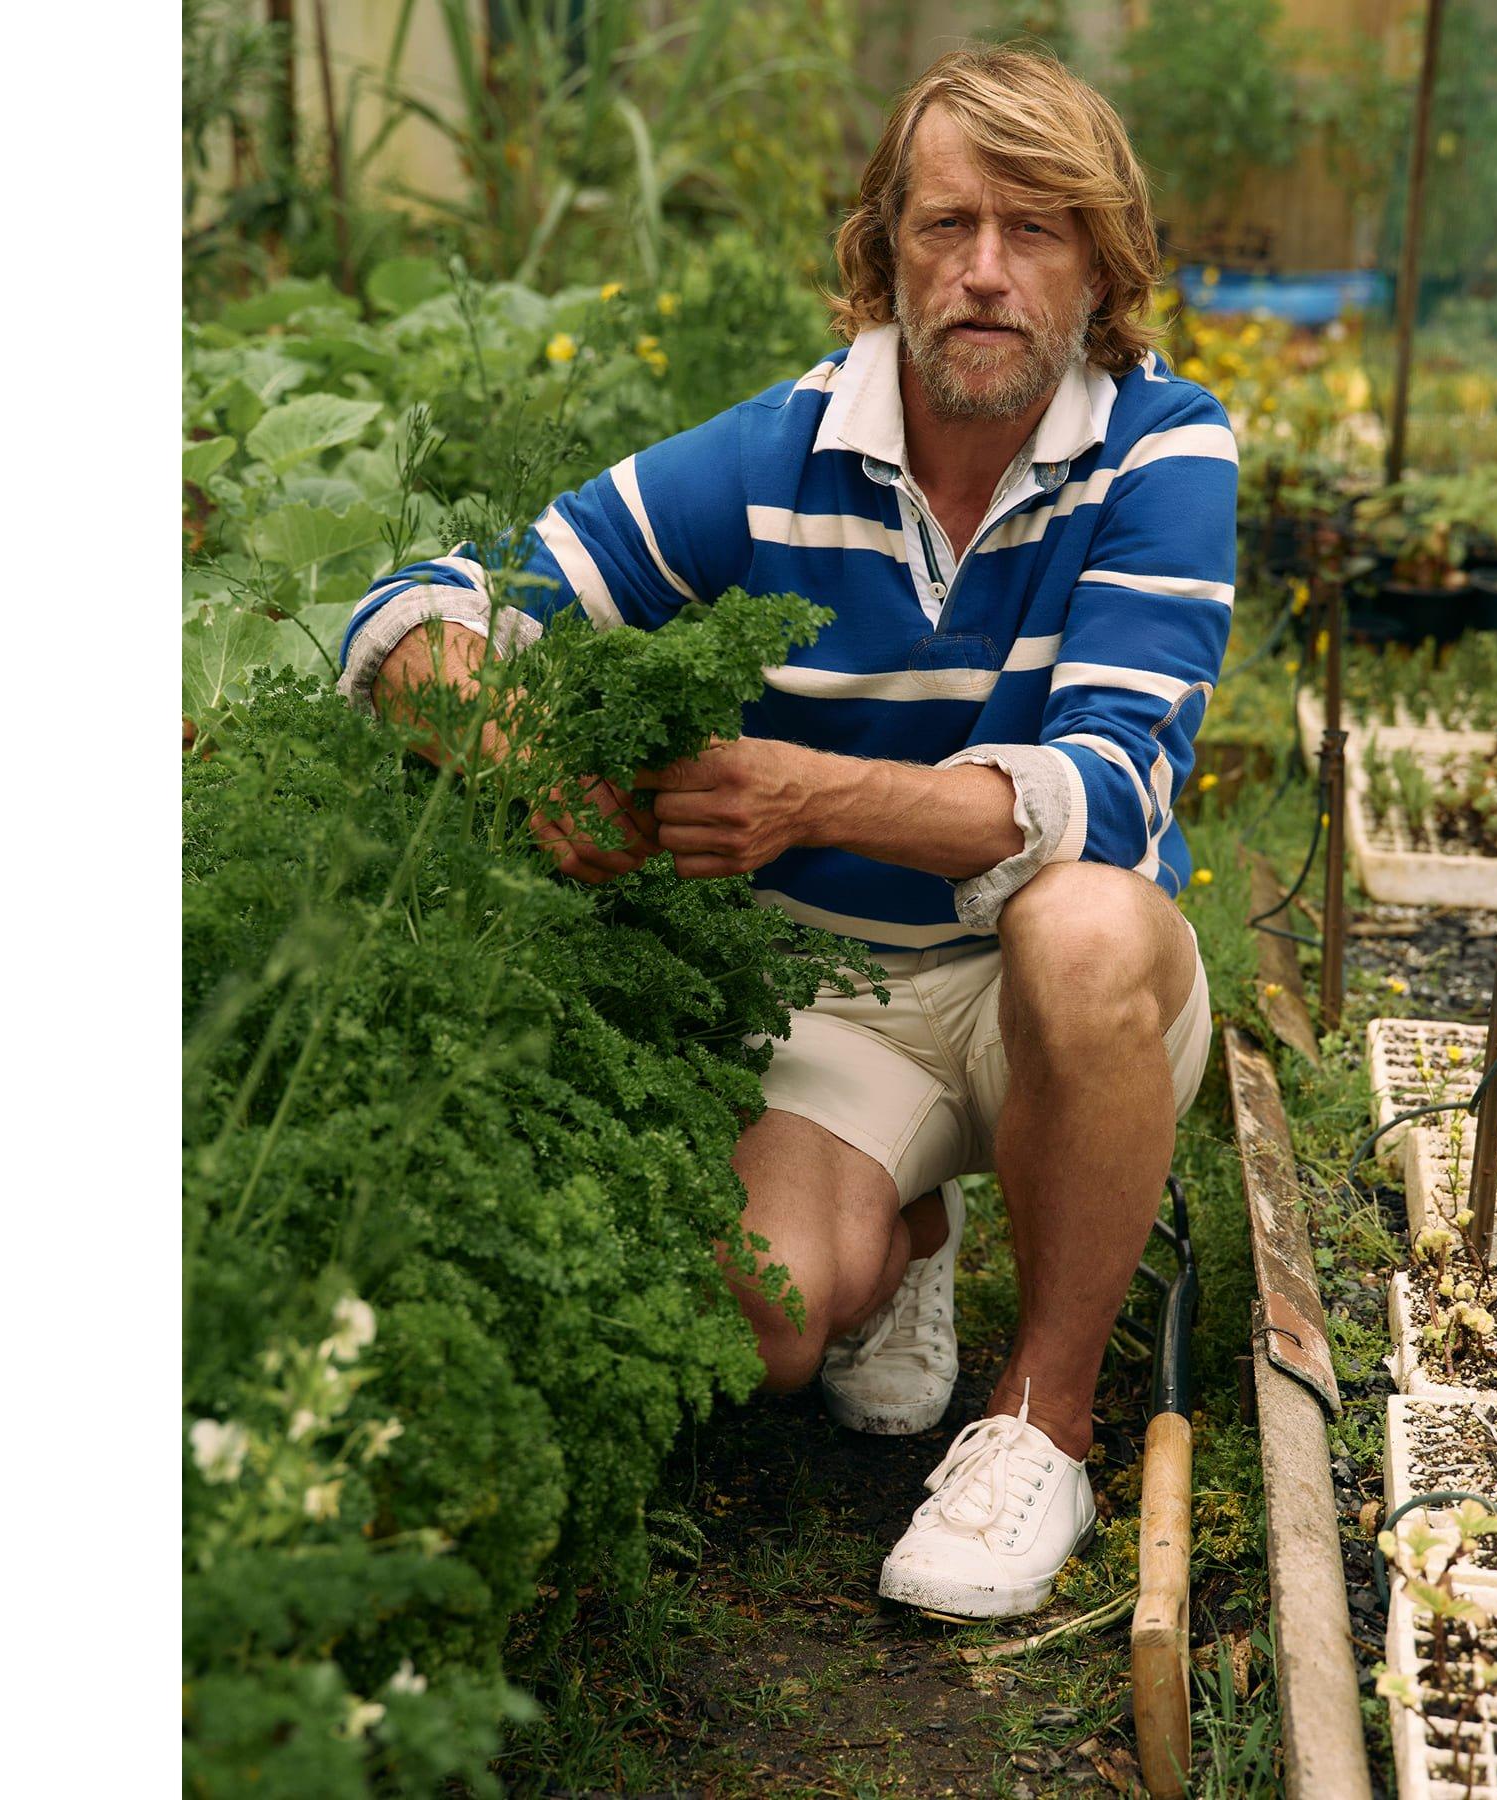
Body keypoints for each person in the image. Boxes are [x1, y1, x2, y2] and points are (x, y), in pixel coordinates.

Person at [342, 46, 1228, 1621]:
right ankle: (910, 1221)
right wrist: (521, 751)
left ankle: (1042, 1419)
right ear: (881, 251)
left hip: (1066, 1000)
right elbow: (422, 605)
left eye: (1034, 231)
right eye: (946, 225)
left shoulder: (1161, 450)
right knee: (760, 1323)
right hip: (840, 1001)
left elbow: (1107, 788)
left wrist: (814, 795)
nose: (983, 272)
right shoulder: (778, 453)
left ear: (1101, 264)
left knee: (1076, 917)